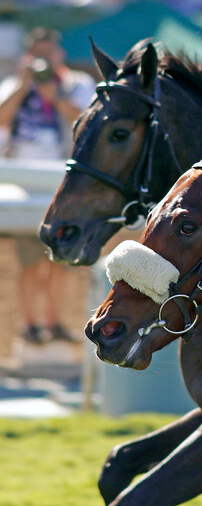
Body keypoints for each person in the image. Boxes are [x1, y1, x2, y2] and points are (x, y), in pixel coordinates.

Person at [0, 27, 95, 343]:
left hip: (64, 182)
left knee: (61, 260)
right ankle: (30, 326)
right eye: (36, 54)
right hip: (25, 183)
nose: (42, 61)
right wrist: (23, 85)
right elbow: (2, 118)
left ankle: (54, 322)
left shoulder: (76, 85)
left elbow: (89, 123)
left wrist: (56, 99)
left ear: (59, 55)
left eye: (47, 54)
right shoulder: (16, 85)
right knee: (28, 261)